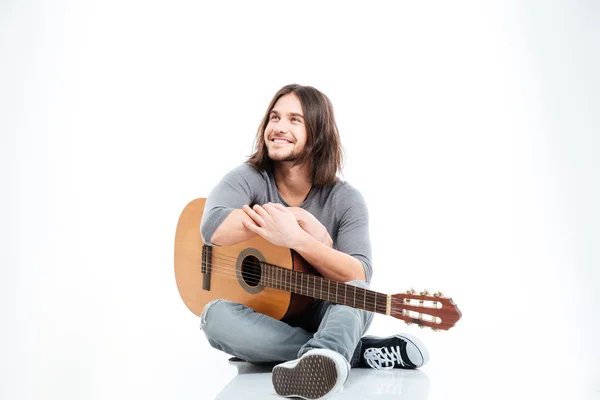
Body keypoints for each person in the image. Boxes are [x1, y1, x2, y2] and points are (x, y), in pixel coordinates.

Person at [199, 84, 429, 399]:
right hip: (262, 312)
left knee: (356, 294)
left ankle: (327, 353)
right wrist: (291, 216)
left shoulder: (346, 199)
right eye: (274, 117)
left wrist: (301, 242)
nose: (279, 128)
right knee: (214, 318)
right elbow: (212, 228)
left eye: (295, 120)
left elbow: (359, 274)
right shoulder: (248, 177)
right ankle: (344, 351)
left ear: (318, 134)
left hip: (324, 309)